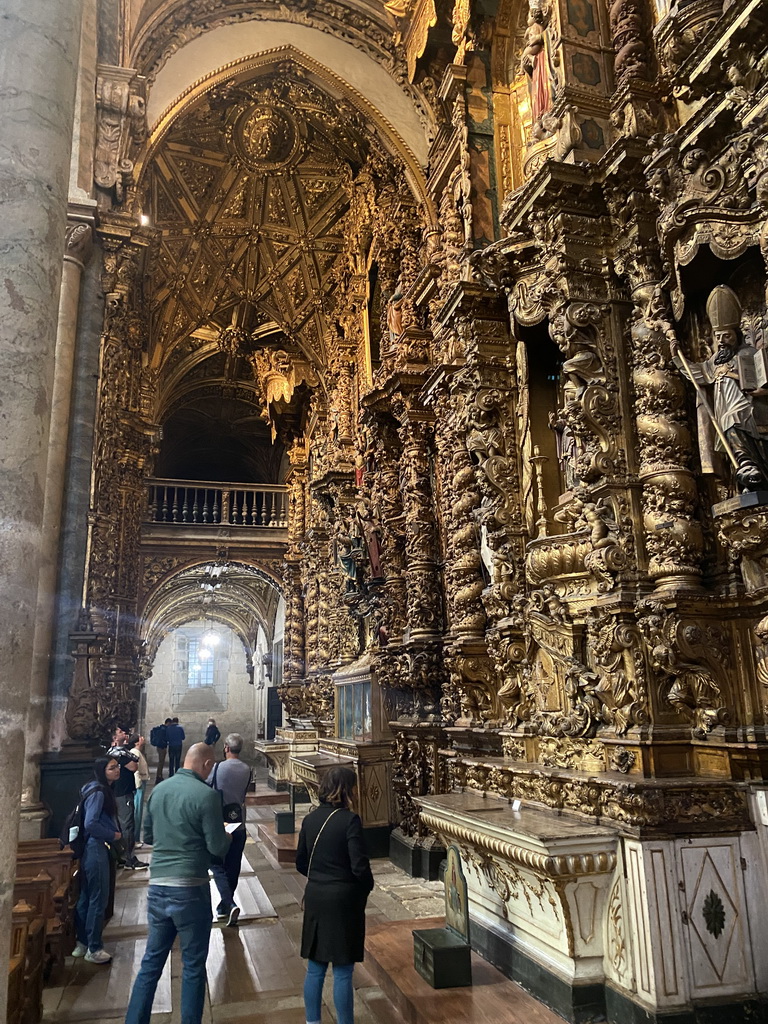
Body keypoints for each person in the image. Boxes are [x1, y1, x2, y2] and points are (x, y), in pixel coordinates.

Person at [124, 743, 231, 1024]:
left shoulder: (159, 790)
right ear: (207, 765)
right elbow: (217, 847)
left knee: (151, 962)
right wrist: (228, 837)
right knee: (193, 966)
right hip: (190, 887)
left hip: (158, 885)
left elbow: (146, 836)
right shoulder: (206, 796)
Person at [296, 766, 374, 1024]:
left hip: (316, 896)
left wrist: (320, 877)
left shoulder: (310, 819)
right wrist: (365, 887)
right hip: (343, 900)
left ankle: (312, 1021)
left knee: (315, 967)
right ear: (346, 790)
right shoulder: (349, 820)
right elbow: (359, 866)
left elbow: (300, 862)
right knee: (342, 969)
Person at [671, 284, 768, 491]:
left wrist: (732, 374)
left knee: (735, 423)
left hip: (748, 409)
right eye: (718, 337)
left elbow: (763, 385)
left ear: (736, 335)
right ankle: (746, 469)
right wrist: (676, 356)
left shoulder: (749, 354)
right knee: (729, 426)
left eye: (727, 336)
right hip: (725, 411)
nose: (722, 341)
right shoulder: (715, 361)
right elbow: (697, 374)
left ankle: (751, 466)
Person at [72, 756, 122, 964]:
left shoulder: (92, 788)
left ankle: (82, 942)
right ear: (103, 771)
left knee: (87, 896)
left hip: (91, 848)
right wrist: (113, 835)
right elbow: (91, 823)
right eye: (112, 768)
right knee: (97, 898)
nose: (117, 770)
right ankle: (93, 947)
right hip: (96, 847)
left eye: (117, 766)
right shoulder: (99, 792)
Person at [207, 733, 252, 926]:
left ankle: (228, 903)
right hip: (239, 821)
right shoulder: (247, 769)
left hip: (220, 822)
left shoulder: (217, 767)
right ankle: (226, 906)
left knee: (216, 862)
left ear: (226, 747)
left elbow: (207, 786)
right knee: (233, 865)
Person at [106, 726, 147, 870]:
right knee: (127, 825)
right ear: (115, 738)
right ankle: (128, 858)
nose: (124, 733)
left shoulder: (120, 752)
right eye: (120, 732)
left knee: (122, 824)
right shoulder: (119, 754)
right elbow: (133, 766)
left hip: (119, 792)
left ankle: (123, 856)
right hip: (122, 793)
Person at [129, 733, 150, 847]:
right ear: (137, 742)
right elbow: (135, 770)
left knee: (139, 810)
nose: (143, 738)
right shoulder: (135, 752)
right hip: (139, 784)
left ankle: (136, 838)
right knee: (137, 811)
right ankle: (135, 839)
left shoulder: (137, 751)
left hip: (141, 782)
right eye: (140, 738)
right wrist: (138, 784)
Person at [150, 719, 171, 783]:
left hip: (159, 746)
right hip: (162, 747)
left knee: (161, 762)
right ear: (168, 723)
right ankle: (159, 776)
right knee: (161, 762)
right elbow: (164, 738)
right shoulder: (164, 729)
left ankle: (159, 775)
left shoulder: (161, 728)